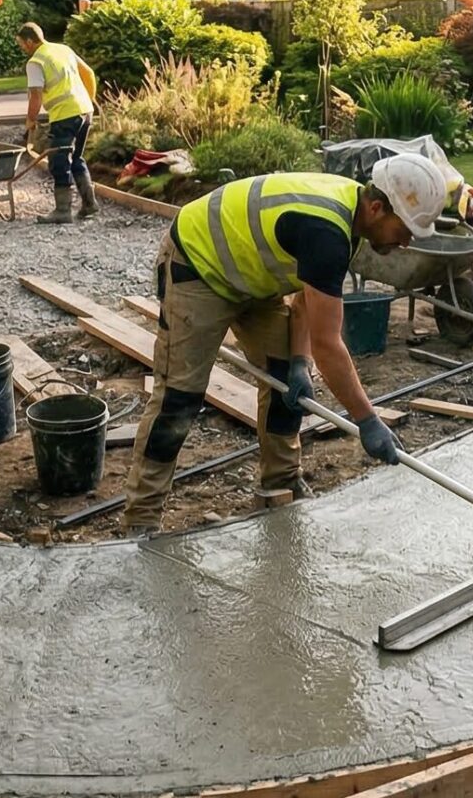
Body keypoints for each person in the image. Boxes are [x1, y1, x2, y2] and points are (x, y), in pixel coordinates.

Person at [123, 154, 449, 533]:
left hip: (253, 280)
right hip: (198, 266)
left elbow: (306, 300)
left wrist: (297, 361)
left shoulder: (352, 220)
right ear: (377, 208)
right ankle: (141, 519)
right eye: (405, 229)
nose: (407, 242)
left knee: (285, 387)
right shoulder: (327, 231)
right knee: (179, 398)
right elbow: (329, 346)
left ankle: (281, 483)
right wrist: (366, 419)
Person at [18, 23, 99, 224]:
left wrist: (30, 121)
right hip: (84, 110)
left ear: (29, 41)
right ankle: (89, 204)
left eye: (21, 44)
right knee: (77, 158)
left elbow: (35, 96)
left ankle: (63, 211)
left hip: (65, 115)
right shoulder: (63, 49)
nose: (22, 48)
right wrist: (88, 99)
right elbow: (88, 73)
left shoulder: (35, 62)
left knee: (59, 161)